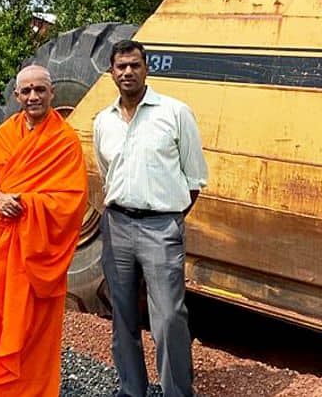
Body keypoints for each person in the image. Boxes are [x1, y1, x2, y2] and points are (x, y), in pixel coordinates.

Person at [93, 40, 208, 397]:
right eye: (120, 67)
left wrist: (168, 216)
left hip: (161, 226)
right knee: (122, 314)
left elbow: (195, 178)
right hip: (117, 225)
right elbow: (106, 173)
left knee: (169, 317)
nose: (127, 72)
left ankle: (176, 391)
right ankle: (132, 389)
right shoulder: (103, 121)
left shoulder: (174, 113)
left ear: (147, 69)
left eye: (134, 65)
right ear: (111, 73)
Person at [0, 65, 88, 396]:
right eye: (27, 91)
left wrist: (26, 203)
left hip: (36, 258)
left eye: (40, 90)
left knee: (32, 335)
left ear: (52, 93)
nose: (33, 96)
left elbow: (71, 202)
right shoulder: (6, 133)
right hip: (3, 254)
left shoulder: (65, 142)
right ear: (17, 95)